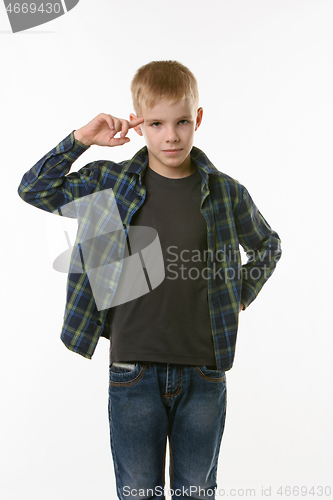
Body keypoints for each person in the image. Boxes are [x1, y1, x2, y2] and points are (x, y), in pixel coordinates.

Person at [18, 60, 282, 500]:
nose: (171, 135)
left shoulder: (225, 192)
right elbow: (35, 190)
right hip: (132, 372)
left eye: (181, 121)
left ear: (197, 119)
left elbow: (267, 246)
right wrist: (83, 139)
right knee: (138, 492)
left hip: (204, 373)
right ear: (139, 125)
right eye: (157, 123)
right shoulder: (112, 183)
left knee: (196, 493)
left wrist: (240, 293)